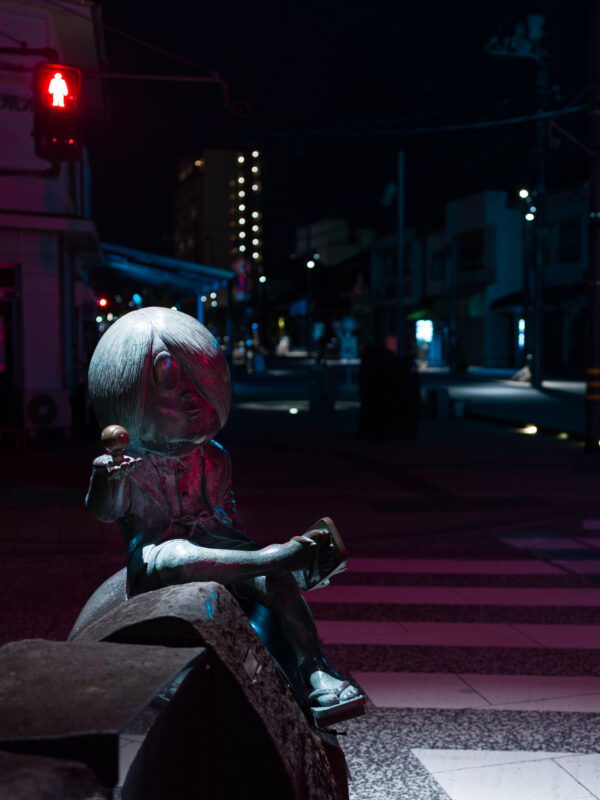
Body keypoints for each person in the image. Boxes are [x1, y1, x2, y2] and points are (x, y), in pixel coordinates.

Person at [85, 306, 362, 723]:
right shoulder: (129, 463)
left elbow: (225, 519)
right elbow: (106, 513)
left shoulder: (213, 458)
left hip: (214, 544)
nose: (192, 399)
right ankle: (283, 556)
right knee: (182, 554)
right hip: (158, 555)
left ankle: (316, 668)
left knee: (272, 577)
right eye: (175, 386)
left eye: (199, 384)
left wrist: (248, 561)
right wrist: (106, 478)